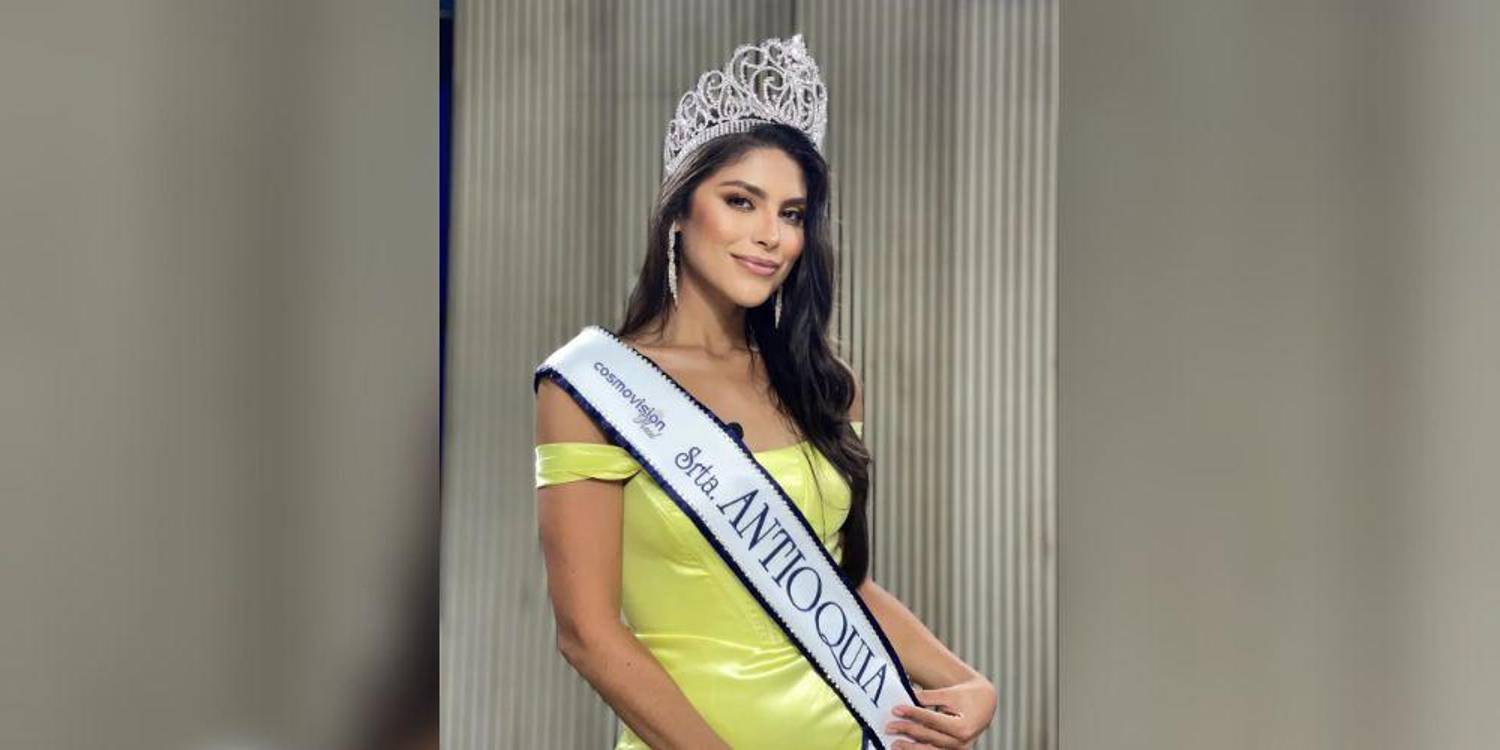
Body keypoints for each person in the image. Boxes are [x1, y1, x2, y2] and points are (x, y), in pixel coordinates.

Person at [533, 35, 997, 749]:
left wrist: (966, 681)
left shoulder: (825, 385)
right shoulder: (593, 388)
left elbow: (829, 585)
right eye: (741, 201)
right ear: (679, 210)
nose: (770, 236)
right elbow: (588, 635)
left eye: (791, 214)